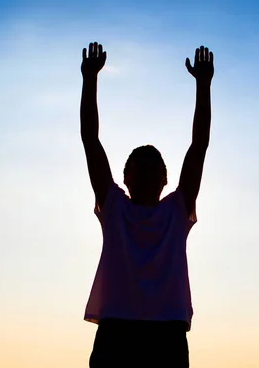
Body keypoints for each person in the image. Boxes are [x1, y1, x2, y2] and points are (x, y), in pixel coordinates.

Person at [80, 41, 213, 368]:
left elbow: (199, 146)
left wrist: (203, 86)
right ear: (126, 177)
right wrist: (89, 79)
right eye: (141, 166)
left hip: (158, 331)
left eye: (153, 166)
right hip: (129, 330)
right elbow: (90, 139)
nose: (148, 171)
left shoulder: (174, 210)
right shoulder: (115, 207)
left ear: (164, 179)